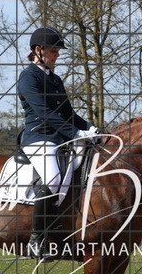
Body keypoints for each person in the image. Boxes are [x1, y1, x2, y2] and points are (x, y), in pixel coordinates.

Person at [17, 26, 99, 260]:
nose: (57, 55)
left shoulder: (54, 79)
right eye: (53, 51)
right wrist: (75, 133)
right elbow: (45, 114)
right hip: (38, 138)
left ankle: (64, 236)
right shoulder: (28, 78)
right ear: (38, 50)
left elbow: (67, 113)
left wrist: (90, 128)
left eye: (57, 51)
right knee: (52, 178)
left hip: (60, 139)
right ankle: (36, 240)